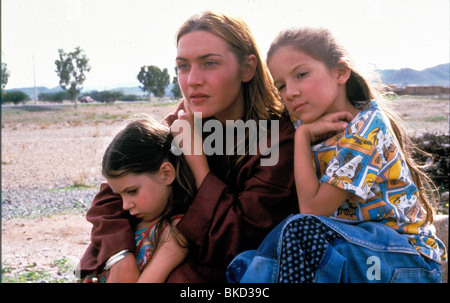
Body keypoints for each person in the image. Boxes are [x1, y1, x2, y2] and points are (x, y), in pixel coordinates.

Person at [77, 11, 298, 283]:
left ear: (247, 68)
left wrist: (197, 162)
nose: (192, 80)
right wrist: (119, 256)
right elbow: (114, 192)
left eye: (209, 64)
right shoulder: (183, 118)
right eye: (183, 66)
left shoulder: (278, 138)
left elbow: (240, 238)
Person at [227, 27, 447, 283]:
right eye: (282, 85)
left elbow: (312, 210)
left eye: (301, 74)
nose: (290, 92)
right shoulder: (307, 126)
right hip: (355, 250)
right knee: (244, 264)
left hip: (407, 261)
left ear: (340, 72)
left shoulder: (366, 129)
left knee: (299, 230)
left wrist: (302, 138)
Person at [79, 117, 195, 282]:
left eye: (132, 191)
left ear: (166, 174)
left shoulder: (174, 231)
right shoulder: (126, 222)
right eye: (119, 195)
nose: (125, 205)